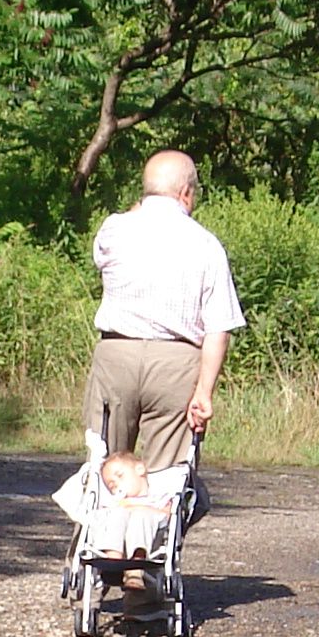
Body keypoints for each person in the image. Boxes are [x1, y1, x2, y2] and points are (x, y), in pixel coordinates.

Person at [82, 148, 247, 475]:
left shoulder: (114, 229)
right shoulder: (206, 244)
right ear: (186, 193)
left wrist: (143, 204)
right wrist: (204, 391)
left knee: (104, 471)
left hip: (117, 354)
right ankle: (156, 525)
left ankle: (99, 523)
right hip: (176, 363)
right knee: (165, 480)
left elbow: (100, 257)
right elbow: (218, 328)